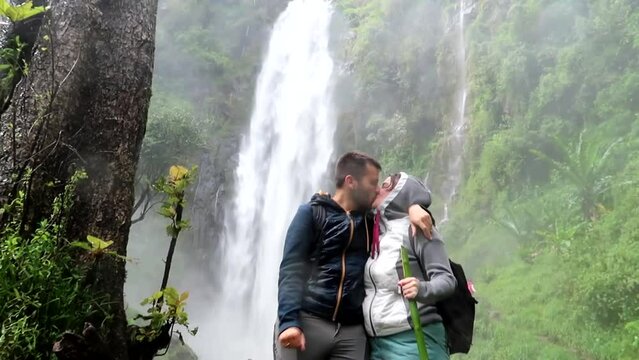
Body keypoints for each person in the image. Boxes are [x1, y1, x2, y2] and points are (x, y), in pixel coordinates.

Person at [275, 152, 434, 360]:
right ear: (351, 182)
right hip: (309, 320)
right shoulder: (311, 214)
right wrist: (288, 322)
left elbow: (401, 207)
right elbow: (291, 269)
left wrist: (414, 206)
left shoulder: (371, 222)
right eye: (373, 183)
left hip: (352, 331)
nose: (377, 190)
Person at [364, 172, 456, 360]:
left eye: (385, 185)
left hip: (414, 338)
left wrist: (421, 288)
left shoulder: (417, 228)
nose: (377, 189)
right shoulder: (375, 233)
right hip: (377, 344)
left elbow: (446, 279)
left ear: (400, 192)